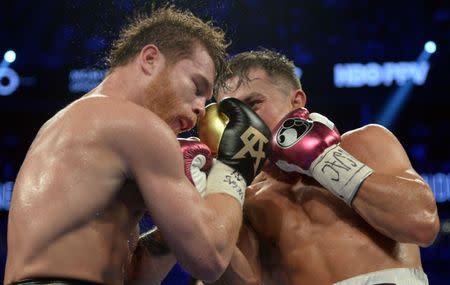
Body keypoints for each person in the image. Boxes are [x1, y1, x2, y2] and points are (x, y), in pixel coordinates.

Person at [4, 7, 272, 285]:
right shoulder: (136, 124)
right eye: (196, 87)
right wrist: (234, 168)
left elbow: (135, 278)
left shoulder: (69, 123)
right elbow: (210, 258)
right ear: (150, 59)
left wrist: (180, 223)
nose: (201, 110)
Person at [207, 49, 440, 285]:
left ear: (296, 100)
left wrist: (325, 160)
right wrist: (202, 199)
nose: (244, 123)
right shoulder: (246, 199)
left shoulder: (365, 143)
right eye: (230, 117)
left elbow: (422, 225)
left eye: (253, 104)